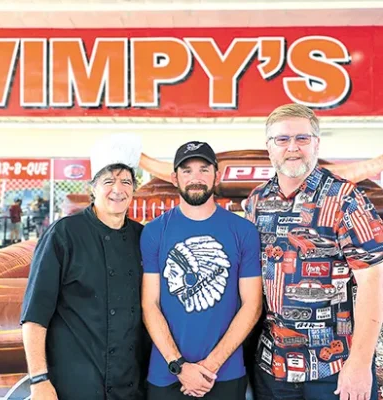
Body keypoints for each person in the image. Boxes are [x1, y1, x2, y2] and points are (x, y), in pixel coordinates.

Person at [245, 103, 383, 400]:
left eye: (302, 138)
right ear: (269, 148)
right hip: (274, 370)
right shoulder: (256, 202)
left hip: (334, 367)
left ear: (316, 144)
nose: (292, 147)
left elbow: (374, 282)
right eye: (282, 139)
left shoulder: (345, 198)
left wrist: (359, 364)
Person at [20, 134, 149, 400]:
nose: (118, 189)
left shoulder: (143, 237)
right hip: (72, 386)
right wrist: (39, 380)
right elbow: (34, 315)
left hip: (129, 388)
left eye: (126, 181)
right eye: (108, 181)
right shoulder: (64, 234)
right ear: (92, 187)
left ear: (134, 190)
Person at [141, 141, 263, 399]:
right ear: (174, 178)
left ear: (216, 175)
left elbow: (252, 305)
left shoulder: (243, 231)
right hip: (167, 374)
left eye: (203, 169)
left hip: (225, 374)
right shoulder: (154, 232)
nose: (195, 177)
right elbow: (149, 304)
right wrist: (179, 365)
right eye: (186, 170)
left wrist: (209, 367)